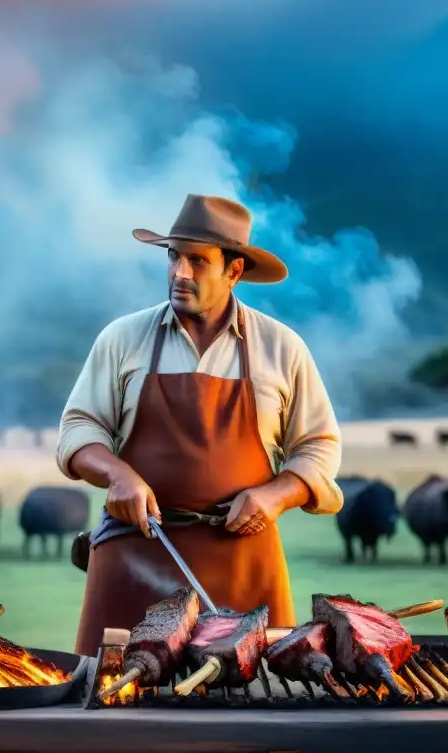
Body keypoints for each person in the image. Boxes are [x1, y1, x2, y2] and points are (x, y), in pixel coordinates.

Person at [56, 194, 343, 656]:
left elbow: (318, 447)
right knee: (115, 709)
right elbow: (78, 430)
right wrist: (118, 474)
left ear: (234, 271)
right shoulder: (122, 338)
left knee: (258, 711)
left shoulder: (281, 347)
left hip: (244, 560)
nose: (180, 273)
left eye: (197, 261)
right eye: (174, 257)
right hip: (135, 555)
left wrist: (274, 495)